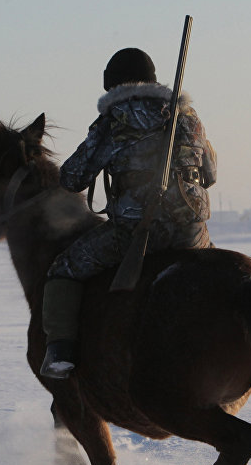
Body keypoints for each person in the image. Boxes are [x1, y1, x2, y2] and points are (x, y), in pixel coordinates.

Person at [40, 47, 218, 379]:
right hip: (193, 233)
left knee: (62, 269)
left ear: (113, 85)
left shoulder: (115, 119)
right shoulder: (189, 117)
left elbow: (72, 177)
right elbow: (210, 173)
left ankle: (61, 352)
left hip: (135, 232)